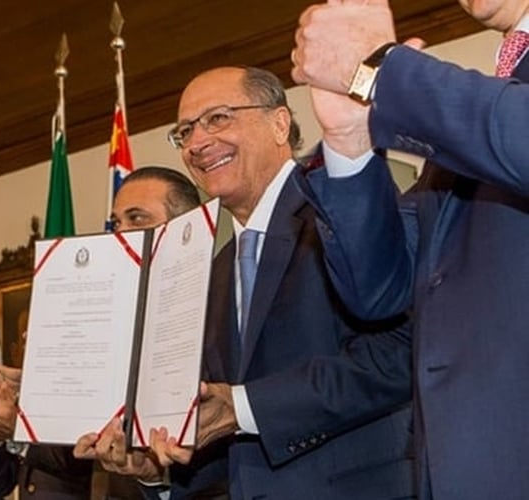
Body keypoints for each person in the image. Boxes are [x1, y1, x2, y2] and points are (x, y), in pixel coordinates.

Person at [81, 66, 416, 500]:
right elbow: (225, 432)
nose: (197, 143)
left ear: (280, 124)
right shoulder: (210, 271)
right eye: (185, 132)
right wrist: (154, 471)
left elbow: (397, 355)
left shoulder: (342, 209)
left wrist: (242, 408)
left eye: (218, 118)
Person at [290, 0, 529, 498]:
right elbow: (379, 288)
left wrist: (380, 68)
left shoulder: (488, 110)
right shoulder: (479, 108)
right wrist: (350, 143)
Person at [0, 165, 202, 499]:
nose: (121, 232)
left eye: (137, 219)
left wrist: (18, 425)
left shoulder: (194, 321)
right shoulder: (96, 311)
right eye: (116, 222)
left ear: (182, 227)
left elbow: (98, 451)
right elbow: (0, 485)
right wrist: (13, 413)